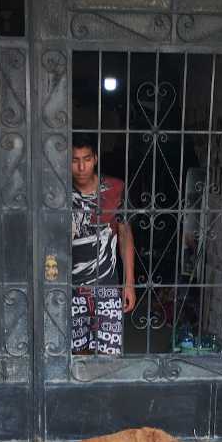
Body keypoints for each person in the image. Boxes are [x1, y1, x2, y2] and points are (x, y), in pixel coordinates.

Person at [71, 133, 136, 356]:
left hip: (107, 287)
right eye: (75, 160)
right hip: (69, 289)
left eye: (87, 159)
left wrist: (129, 283)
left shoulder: (116, 188)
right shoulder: (57, 193)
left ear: (96, 158)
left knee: (108, 357)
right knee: (76, 356)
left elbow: (125, 235)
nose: (81, 167)